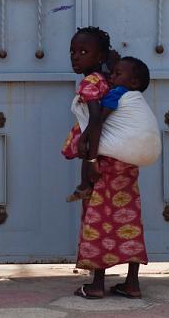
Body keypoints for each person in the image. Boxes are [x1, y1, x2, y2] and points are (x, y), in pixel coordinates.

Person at [66, 56, 151, 202]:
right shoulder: (127, 95)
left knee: (87, 154)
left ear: (134, 82)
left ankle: (84, 186)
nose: (111, 77)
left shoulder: (116, 93)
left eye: (117, 74)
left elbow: (99, 118)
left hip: (112, 158)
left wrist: (84, 136)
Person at [61, 27, 112, 202]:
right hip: (106, 142)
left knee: (98, 212)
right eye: (72, 51)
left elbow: (95, 117)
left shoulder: (89, 81)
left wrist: (91, 159)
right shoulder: (103, 77)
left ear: (100, 57)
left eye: (83, 52)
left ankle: (84, 186)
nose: (75, 56)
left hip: (97, 145)